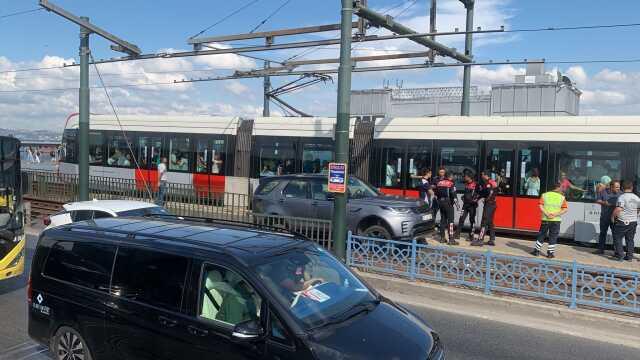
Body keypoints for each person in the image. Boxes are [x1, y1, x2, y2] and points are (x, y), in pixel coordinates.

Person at [531, 181, 569, 258]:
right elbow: (565, 209)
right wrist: (555, 214)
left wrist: (547, 213)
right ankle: (550, 253)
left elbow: (540, 206)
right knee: (553, 236)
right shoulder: (562, 197)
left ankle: (536, 251)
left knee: (541, 234)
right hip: (556, 220)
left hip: (545, 219)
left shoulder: (544, 195)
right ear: (558, 188)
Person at [611, 180, 640, 262]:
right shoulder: (637, 198)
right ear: (632, 188)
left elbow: (618, 209)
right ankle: (629, 257)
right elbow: (638, 209)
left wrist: (612, 217)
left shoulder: (622, 197)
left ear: (623, 188)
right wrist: (634, 215)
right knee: (630, 239)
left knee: (617, 238)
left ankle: (620, 256)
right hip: (633, 222)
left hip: (622, 221)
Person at [472, 170, 498, 247]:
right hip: (493, 204)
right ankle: (492, 239)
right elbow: (485, 193)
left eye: (482, 174)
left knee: (484, 221)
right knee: (490, 222)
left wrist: (484, 198)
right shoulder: (492, 182)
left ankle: (480, 240)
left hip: (489, 204)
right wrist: (479, 198)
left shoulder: (487, 183)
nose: (481, 176)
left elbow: (489, 192)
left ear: (486, 175)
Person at [596, 180, 620, 255]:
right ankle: (600, 250)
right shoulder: (603, 191)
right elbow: (598, 200)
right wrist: (604, 203)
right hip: (604, 217)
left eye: (619, 187)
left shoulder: (621, 193)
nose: (618, 188)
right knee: (603, 233)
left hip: (615, 218)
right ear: (611, 187)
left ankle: (617, 252)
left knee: (616, 235)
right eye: (616, 187)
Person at [434, 171, 458, 245]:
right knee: (450, 221)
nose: (453, 178)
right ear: (450, 177)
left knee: (443, 220)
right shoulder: (451, 184)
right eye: (452, 176)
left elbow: (436, 193)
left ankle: (442, 238)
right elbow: (454, 196)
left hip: (440, 203)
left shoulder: (439, 183)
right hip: (448, 203)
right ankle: (451, 239)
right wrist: (458, 206)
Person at [455, 173, 478, 241]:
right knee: (461, 219)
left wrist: (475, 200)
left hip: (472, 206)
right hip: (465, 205)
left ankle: (471, 235)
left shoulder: (475, 184)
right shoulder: (466, 184)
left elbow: (478, 194)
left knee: (472, 220)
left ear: (469, 177)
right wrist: (463, 197)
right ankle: (457, 234)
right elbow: (466, 193)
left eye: (465, 176)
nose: (464, 178)